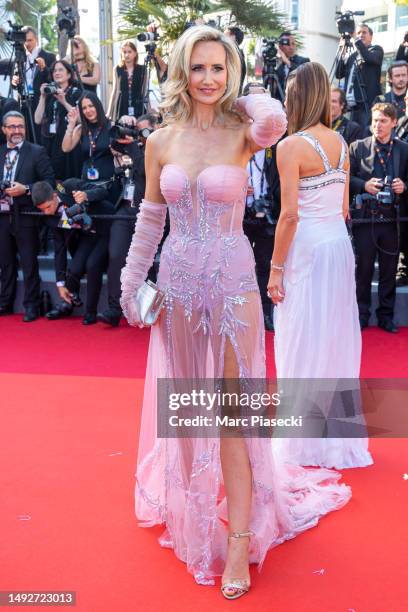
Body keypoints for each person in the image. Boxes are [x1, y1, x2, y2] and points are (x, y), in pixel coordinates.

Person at [120, 26, 351, 598]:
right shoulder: (160, 140)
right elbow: (151, 218)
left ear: (232, 73)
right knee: (193, 411)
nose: (207, 79)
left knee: (233, 415)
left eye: (218, 68)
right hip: (176, 289)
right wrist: (130, 283)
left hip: (232, 291)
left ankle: (241, 541)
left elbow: (274, 116)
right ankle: (196, 516)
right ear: (179, 69)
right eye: (197, 67)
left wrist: (240, 93)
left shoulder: (246, 132)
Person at [268, 62, 373, 470]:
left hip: (308, 246)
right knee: (333, 336)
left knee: (300, 335)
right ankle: (334, 437)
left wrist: (276, 268)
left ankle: (302, 440)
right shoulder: (343, 144)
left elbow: (289, 215)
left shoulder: (291, 145)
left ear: (297, 97)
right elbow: (345, 209)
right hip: (337, 245)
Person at [349, 103, 408, 333]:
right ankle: (361, 314)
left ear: (394, 122)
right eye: (374, 120)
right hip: (365, 220)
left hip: (392, 221)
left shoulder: (404, 149)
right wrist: (364, 184)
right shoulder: (357, 147)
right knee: (363, 270)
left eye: (383, 121)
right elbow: (346, 179)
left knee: (388, 271)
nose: (377, 125)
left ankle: (386, 316)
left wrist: (404, 186)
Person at [98, 113, 158, 327]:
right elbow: (109, 141)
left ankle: (147, 309)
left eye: (142, 131)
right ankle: (114, 309)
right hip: (124, 210)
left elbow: (145, 171)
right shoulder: (134, 146)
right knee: (115, 257)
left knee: (146, 263)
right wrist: (123, 127)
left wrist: (134, 146)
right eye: (137, 130)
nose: (138, 135)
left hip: (147, 214)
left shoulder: (159, 149)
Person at [32, 179, 114, 325]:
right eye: (42, 210)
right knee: (75, 267)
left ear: (54, 195)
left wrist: (86, 195)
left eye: (48, 207)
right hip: (88, 235)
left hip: (107, 227)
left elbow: (103, 191)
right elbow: (60, 250)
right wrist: (60, 283)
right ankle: (68, 302)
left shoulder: (69, 186)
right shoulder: (51, 219)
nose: (46, 212)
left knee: (92, 265)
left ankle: (91, 312)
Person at [0, 111, 54, 321]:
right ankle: (5, 302)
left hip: (26, 215)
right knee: (5, 263)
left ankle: (32, 305)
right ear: (4, 129)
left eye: (20, 126)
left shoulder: (36, 152)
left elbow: (49, 181)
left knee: (30, 263)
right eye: (12, 127)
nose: (16, 131)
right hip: (2, 216)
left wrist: (27, 189)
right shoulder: (1, 151)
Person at [242, 82, 281, 331]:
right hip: (240, 214)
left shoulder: (278, 140)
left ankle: (266, 314)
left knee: (266, 264)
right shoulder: (234, 136)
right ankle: (243, 313)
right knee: (241, 266)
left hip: (268, 214)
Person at [34, 59, 82, 180]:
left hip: (67, 142)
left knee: (67, 178)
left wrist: (64, 102)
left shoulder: (76, 92)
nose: (57, 73)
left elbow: (81, 119)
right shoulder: (49, 93)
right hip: (50, 142)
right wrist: (43, 97)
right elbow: (37, 120)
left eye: (61, 70)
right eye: (54, 70)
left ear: (69, 74)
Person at [11, 26, 56, 141]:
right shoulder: (20, 58)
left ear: (36, 40)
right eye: (25, 41)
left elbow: (54, 81)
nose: (27, 43)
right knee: (25, 136)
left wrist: (44, 68)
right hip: (24, 103)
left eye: (30, 40)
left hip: (41, 103)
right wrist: (14, 82)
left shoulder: (49, 57)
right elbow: (16, 80)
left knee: (40, 137)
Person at [335, 23, 384, 126]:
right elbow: (339, 74)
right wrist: (341, 52)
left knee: (364, 135)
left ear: (371, 37)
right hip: (351, 107)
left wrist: (355, 41)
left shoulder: (376, 50)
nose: (361, 35)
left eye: (364, 32)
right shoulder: (352, 56)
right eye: (358, 33)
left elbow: (368, 58)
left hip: (367, 105)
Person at [62, 92, 114, 182]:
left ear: (98, 106)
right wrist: (71, 125)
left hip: (108, 180)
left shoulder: (110, 126)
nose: (88, 110)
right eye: (84, 108)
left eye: (91, 106)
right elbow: (66, 148)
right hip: (87, 181)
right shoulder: (80, 129)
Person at [107, 41, 145, 122]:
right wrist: (109, 112)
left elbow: (144, 91)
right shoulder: (117, 69)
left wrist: (148, 110)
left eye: (129, 52)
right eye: (124, 52)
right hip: (121, 104)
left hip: (137, 103)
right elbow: (114, 91)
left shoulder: (142, 69)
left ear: (135, 53)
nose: (127, 55)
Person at [276, 32, 309, 103]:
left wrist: (287, 62)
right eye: (287, 44)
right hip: (280, 108)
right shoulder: (277, 67)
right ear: (280, 46)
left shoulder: (304, 61)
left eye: (293, 44)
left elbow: (302, 76)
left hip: (298, 104)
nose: (291, 47)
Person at [224, 26, 246, 93]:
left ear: (232, 36)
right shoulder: (239, 52)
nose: (222, 37)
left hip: (229, 94)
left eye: (225, 34)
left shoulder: (232, 53)